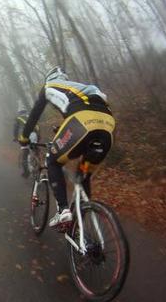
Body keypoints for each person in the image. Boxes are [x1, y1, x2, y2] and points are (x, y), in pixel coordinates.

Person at [18, 66, 115, 228]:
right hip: (107, 126)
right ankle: (80, 218)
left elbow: (34, 115)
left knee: (53, 160)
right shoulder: (77, 87)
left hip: (81, 122)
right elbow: (83, 108)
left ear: (49, 78)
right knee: (83, 174)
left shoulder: (48, 86)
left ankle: (63, 211)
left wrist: (24, 137)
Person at [13, 110, 40, 178]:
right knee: (34, 150)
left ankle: (26, 172)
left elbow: (16, 129)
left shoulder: (18, 118)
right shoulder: (31, 118)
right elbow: (37, 128)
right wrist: (38, 137)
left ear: (19, 113)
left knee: (24, 154)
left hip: (25, 136)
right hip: (34, 135)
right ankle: (37, 164)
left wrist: (15, 137)